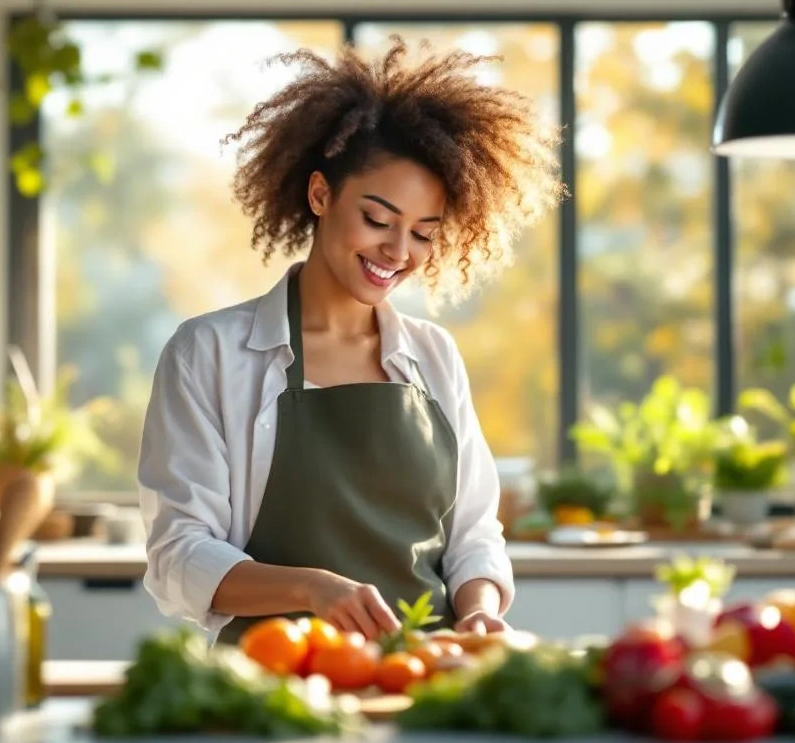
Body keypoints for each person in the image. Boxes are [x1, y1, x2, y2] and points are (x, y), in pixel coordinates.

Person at [138, 37, 564, 647]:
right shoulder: (209, 353)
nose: (398, 252)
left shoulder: (433, 357)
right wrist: (313, 590)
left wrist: (478, 609)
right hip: (274, 686)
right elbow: (178, 556)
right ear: (320, 195)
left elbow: (473, 534)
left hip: (423, 673)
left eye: (423, 233)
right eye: (377, 220)